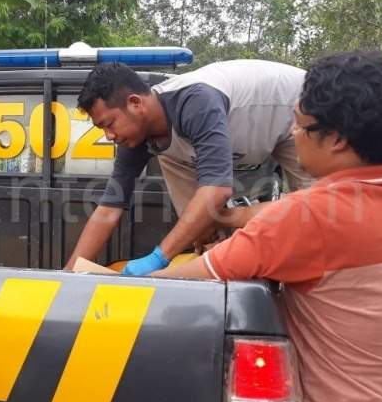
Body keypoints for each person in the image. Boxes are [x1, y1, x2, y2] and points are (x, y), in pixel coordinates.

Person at [155, 51, 382, 402]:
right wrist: (234, 219)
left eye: (298, 125)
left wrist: (117, 279)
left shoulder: (308, 219)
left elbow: (185, 285)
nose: (293, 136)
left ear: (335, 138)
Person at [65, 59, 313, 274]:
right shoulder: (135, 134)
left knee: (318, 210)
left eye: (109, 124)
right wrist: (69, 273)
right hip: (245, 131)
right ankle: (218, 263)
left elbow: (217, 191)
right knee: (197, 222)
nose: (109, 136)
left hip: (293, 111)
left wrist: (158, 258)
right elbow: (109, 209)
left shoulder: (195, 102)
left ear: (135, 103)